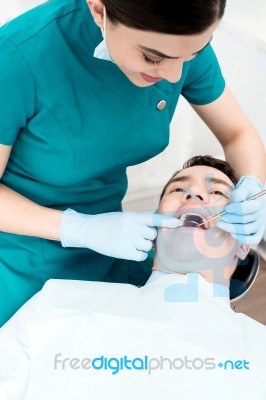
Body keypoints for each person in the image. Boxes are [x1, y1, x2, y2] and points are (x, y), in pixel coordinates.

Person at [0, 0, 266, 327]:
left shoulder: (179, 39)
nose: (175, 74)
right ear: (99, 10)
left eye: (193, 55)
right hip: (18, 249)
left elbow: (238, 133)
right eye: (153, 58)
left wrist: (255, 189)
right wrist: (80, 228)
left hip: (113, 243)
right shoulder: (18, 59)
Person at [0, 155, 266, 400]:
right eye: (177, 189)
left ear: (244, 243)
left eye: (217, 191)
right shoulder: (53, 302)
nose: (194, 194)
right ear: (152, 229)